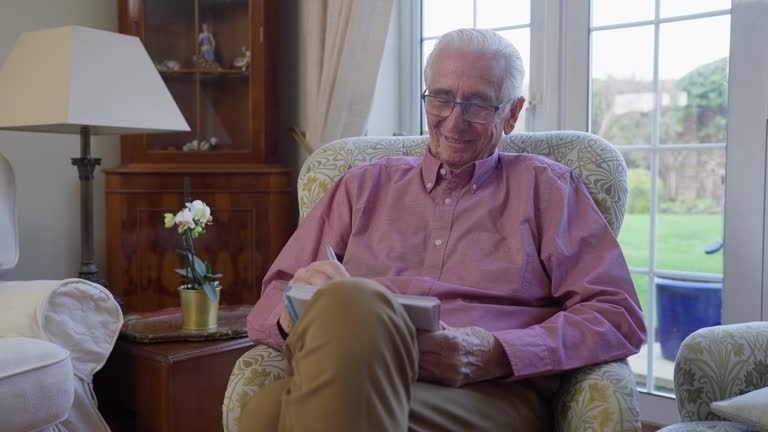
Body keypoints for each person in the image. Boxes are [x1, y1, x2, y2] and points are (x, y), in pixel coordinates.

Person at [240, 28, 646, 432]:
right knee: (343, 314)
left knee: (271, 416)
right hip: (350, 367)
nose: (455, 121)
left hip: (483, 391)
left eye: (478, 104)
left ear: (512, 112)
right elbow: (274, 294)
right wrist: (293, 314)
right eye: (442, 98)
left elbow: (616, 315)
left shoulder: (549, 188)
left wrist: (495, 352)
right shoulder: (360, 185)